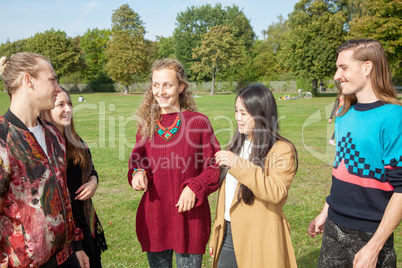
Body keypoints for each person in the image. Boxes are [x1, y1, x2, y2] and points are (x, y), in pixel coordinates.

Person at [308, 39, 402, 267]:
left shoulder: (393, 117)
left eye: (344, 67)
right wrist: (326, 211)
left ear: (367, 68)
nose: (336, 75)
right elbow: (342, 172)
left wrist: (374, 247)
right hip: (333, 230)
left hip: (370, 235)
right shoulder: (344, 115)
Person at [127, 58, 221, 268]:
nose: (160, 91)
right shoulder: (146, 125)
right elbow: (137, 157)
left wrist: (195, 187)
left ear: (181, 87)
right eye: (155, 85)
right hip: (156, 218)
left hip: (189, 219)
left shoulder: (198, 122)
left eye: (167, 85)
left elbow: (216, 165)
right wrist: (137, 172)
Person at [0, 52, 89, 267]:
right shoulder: (3, 139)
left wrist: (76, 246)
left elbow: (64, 198)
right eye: (52, 79)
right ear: (28, 80)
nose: (58, 87)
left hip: (65, 257)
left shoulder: (53, 134)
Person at [209, 84, 299, 268]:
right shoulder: (236, 144)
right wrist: (217, 234)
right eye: (236, 111)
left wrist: (239, 165)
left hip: (259, 238)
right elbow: (227, 198)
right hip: (228, 235)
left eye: (244, 113)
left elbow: (277, 192)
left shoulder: (281, 150)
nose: (237, 118)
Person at [42, 88, 108, 267]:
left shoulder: (75, 140)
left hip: (86, 221)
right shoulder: (45, 147)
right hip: (68, 230)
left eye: (70, 104)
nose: (69, 109)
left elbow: (90, 169)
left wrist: (94, 181)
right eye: (61, 105)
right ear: (46, 109)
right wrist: (76, 243)